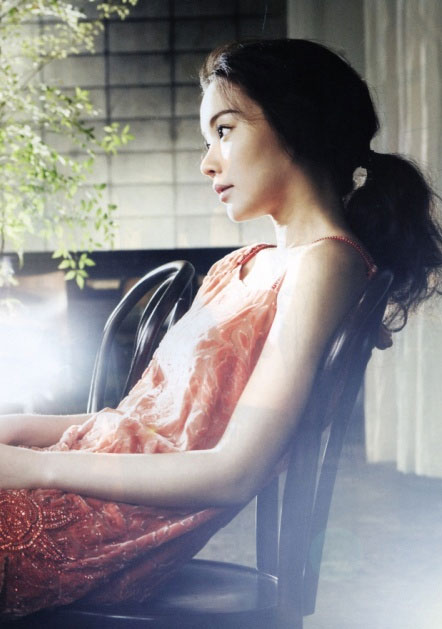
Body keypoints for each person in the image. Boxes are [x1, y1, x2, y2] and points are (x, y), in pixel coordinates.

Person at [0, 39, 441, 619]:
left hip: (94, 527)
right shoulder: (239, 265)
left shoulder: (326, 264)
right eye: (206, 140)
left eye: (225, 131)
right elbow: (143, 420)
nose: (207, 163)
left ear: (297, 122)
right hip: (75, 485)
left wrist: (34, 466)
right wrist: (21, 430)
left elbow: (236, 471)